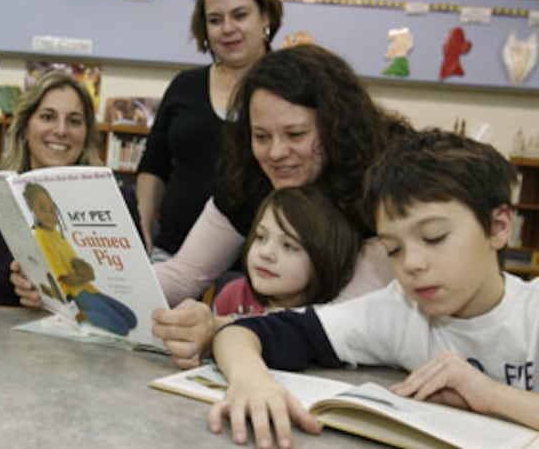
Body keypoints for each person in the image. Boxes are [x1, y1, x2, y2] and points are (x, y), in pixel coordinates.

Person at [207, 129, 539, 448]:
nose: (411, 264)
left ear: (498, 228)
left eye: (434, 237)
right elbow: (245, 332)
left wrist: (488, 394)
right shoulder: (399, 310)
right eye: (393, 248)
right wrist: (252, 381)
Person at [151, 44, 412, 368]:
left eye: (295, 134)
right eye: (261, 136)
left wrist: (222, 327)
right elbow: (183, 273)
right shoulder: (247, 179)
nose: (276, 153)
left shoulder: (380, 191)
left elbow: (343, 319)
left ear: (337, 126)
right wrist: (106, 285)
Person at [136, 0, 282, 262]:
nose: (227, 28)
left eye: (240, 15)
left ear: (265, 16)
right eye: (215, 20)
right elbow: (154, 164)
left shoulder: (291, 86)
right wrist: (143, 227)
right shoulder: (185, 86)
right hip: (171, 254)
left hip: (260, 264)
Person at [0, 70, 112, 305]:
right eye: (48, 117)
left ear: (86, 135)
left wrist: (56, 300)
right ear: (25, 127)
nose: (61, 130)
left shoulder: (112, 201)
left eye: (74, 121)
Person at [214, 186, 361, 318]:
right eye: (261, 237)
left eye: (289, 246)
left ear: (324, 260)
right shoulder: (234, 295)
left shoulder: (325, 322)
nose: (266, 253)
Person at [23, 182, 137, 336]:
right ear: (32, 209)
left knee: (132, 319)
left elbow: (76, 264)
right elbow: (64, 279)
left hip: (87, 288)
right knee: (122, 328)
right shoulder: (40, 237)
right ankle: (76, 316)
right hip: (73, 296)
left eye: (52, 210)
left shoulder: (58, 235)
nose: (50, 215)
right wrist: (85, 273)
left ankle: (83, 314)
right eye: (42, 209)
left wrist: (84, 270)